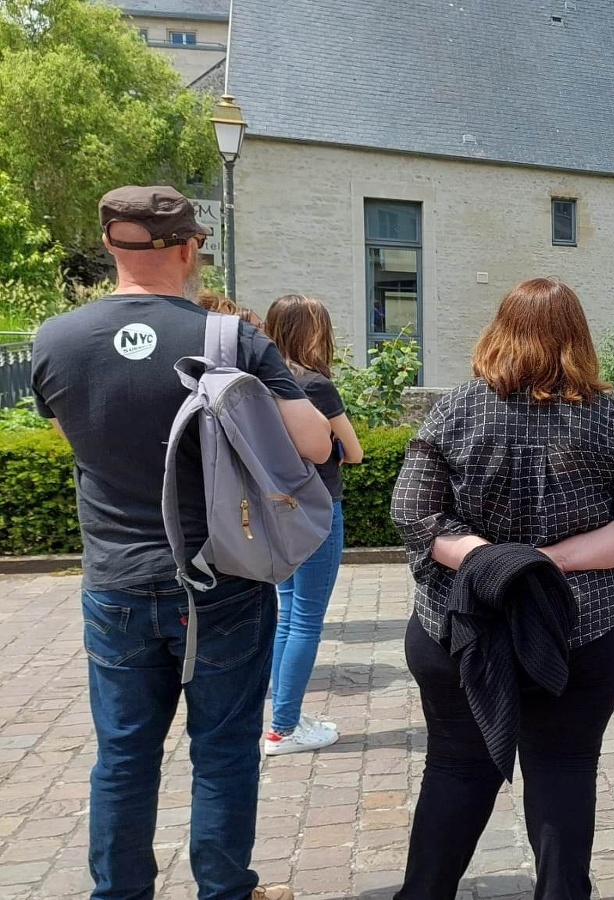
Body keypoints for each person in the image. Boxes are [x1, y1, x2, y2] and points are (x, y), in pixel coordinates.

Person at [30, 186, 332, 900]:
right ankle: (224, 890)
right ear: (190, 248)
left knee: (124, 756)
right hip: (221, 574)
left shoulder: (55, 339)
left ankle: (120, 892)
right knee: (224, 750)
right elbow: (315, 443)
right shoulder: (231, 339)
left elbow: (76, 440)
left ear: (110, 243)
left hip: (115, 580)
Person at [392, 278, 614, 900]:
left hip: (459, 624)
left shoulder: (457, 407)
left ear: (501, 330)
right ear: (577, 337)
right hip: (584, 625)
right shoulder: (605, 416)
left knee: (456, 767)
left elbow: (413, 512)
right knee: (565, 767)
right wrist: (543, 563)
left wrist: (501, 564)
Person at [260, 294, 365, 755]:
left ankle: (282, 715)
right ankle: (284, 727)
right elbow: (354, 450)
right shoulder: (315, 385)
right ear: (314, 332)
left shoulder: (260, 381)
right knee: (306, 619)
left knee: (287, 614)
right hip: (317, 508)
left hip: (275, 508)